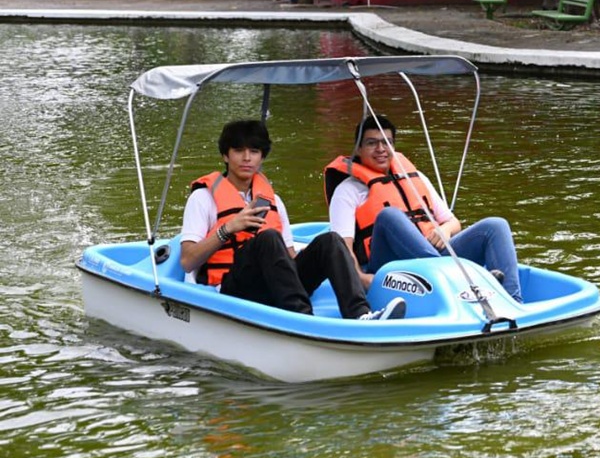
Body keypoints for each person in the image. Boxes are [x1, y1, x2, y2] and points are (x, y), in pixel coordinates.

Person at [180, 119, 405, 321]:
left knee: (330, 240)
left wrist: (314, 260)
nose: (247, 158)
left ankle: (360, 314)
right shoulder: (203, 199)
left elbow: (288, 258)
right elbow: (188, 261)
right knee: (268, 238)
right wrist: (229, 228)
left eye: (254, 151)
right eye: (239, 151)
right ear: (225, 156)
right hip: (235, 287)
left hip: (276, 285)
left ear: (262, 157)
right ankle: (302, 318)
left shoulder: (273, 201)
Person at [325, 115, 524, 303]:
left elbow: (453, 222)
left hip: (432, 256)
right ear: (358, 149)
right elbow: (343, 248)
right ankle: (463, 280)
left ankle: (512, 301)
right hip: (390, 270)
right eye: (372, 143)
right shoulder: (347, 191)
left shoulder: (415, 178)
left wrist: (444, 230)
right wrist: (361, 279)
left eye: (387, 142)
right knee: (389, 216)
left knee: (495, 226)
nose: (381, 149)